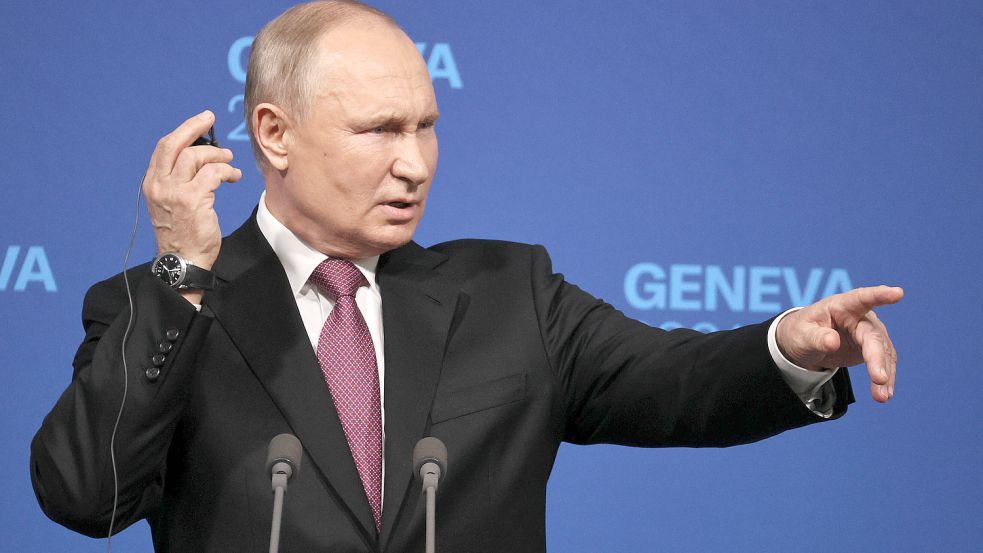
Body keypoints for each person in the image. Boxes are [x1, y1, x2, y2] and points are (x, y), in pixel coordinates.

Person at [30, 1, 902, 551]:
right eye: (379, 130)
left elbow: (675, 384)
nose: (414, 163)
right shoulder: (170, 310)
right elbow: (85, 495)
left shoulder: (509, 294)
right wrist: (181, 274)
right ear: (273, 133)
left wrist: (788, 345)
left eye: (426, 126)